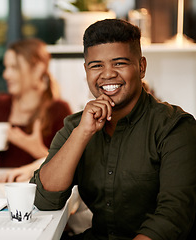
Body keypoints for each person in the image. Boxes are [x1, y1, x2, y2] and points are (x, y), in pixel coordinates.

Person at [30, 19, 196, 239]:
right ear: (86, 70)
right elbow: (43, 199)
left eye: (119, 63)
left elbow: (174, 215)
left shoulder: (175, 127)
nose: (107, 74)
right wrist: (82, 133)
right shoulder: (76, 126)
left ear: (142, 67)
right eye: (96, 65)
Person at [0, 38, 72, 182]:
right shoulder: (0, 104)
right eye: (6, 67)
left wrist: (34, 148)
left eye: (14, 67)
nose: (6, 74)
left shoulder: (58, 110)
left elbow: (67, 164)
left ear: (37, 70)